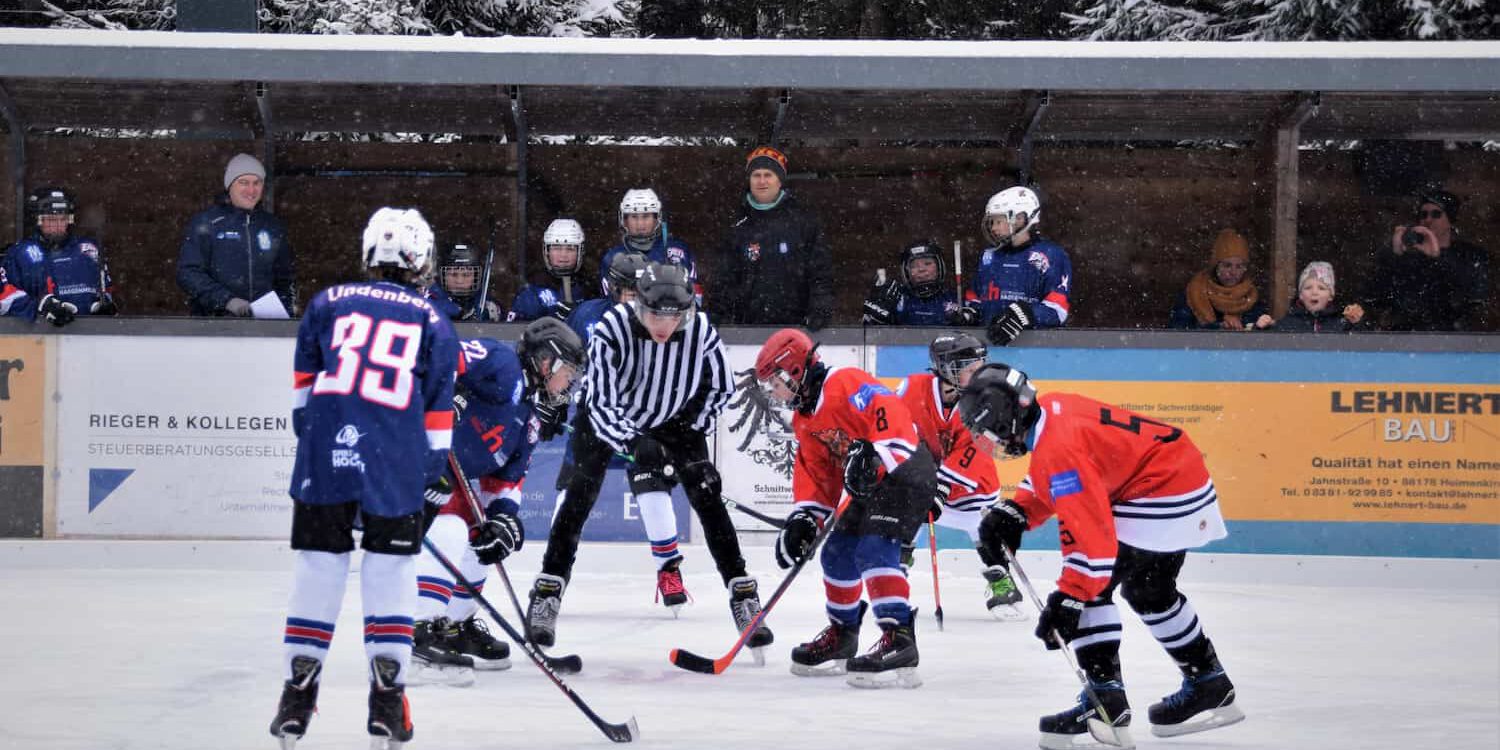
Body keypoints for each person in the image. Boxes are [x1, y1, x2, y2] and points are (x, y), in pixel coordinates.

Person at [957, 362, 1243, 748]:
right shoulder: (1053, 410)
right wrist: (1018, 510)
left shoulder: (1059, 449)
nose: (986, 441)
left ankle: (1105, 704)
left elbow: (1091, 539)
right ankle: (1209, 683)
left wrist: (1069, 599)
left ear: (1005, 417)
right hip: (1179, 474)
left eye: (984, 431)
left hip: (1159, 490)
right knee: (1149, 590)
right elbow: (1061, 469)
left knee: (1093, 589)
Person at [269, 208, 459, 748]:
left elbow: (302, 405)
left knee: (320, 565)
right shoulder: (432, 321)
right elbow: (437, 416)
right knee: (391, 570)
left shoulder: (326, 303)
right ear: (420, 259)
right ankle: (387, 700)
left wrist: (327, 446)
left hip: (326, 451)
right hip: (394, 458)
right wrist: (431, 471)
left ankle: (297, 695)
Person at [527, 262, 772, 654]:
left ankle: (742, 593)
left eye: (673, 315)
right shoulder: (612, 330)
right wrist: (634, 442)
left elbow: (719, 389)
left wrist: (690, 429)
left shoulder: (702, 332)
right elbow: (602, 402)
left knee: (707, 496)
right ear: (639, 306)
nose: (664, 324)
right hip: (611, 417)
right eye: (656, 313)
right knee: (579, 495)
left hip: (675, 418)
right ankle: (549, 588)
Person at [755, 327, 937, 689]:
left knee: (874, 550)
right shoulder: (805, 418)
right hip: (869, 485)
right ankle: (843, 633)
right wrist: (805, 518)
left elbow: (891, 415)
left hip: (904, 468)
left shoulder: (845, 382)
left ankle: (899, 637)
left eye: (774, 382)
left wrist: (874, 453)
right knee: (836, 553)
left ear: (793, 371)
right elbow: (819, 478)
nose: (773, 393)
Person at [411, 322, 586, 686]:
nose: (568, 385)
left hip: (447, 473)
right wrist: (445, 393)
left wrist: (504, 519)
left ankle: (453, 626)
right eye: (567, 373)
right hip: (415, 455)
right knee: (453, 527)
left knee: (485, 536)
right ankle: (416, 632)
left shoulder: (530, 418)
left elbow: (505, 481)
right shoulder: (502, 362)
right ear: (545, 362)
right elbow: (439, 357)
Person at [896, 331, 1023, 620]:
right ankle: (894, 574)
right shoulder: (910, 389)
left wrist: (940, 489)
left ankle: (1003, 581)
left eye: (980, 366)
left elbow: (974, 453)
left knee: (985, 531)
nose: (978, 374)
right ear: (945, 370)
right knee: (902, 512)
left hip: (972, 489)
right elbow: (894, 427)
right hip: (925, 482)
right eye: (969, 368)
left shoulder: (988, 400)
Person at [711, 146, 834, 330]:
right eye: (756, 175)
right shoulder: (737, 225)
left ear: (779, 181)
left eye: (768, 175)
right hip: (746, 329)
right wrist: (717, 315)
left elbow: (820, 271)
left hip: (796, 327)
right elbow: (724, 278)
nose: (762, 181)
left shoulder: (803, 222)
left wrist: (820, 306)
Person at [177, 153, 295, 317]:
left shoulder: (272, 226)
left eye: (257, 183)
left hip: (264, 327)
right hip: (213, 327)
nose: (251, 190)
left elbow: (285, 279)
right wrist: (227, 301)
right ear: (230, 186)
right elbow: (188, 273)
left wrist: (285, 311)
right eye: (243, 183)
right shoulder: (208, 223)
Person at [964, 186, 1073, 346]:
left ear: (1021, 218)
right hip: (988, 347)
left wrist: (1027, 314)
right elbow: (975, 298)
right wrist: (970, 313)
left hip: (1034, 349)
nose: (994, 228)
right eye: (992, 222)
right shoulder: (988, 257)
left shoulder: (1051, 255)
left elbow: (1058, 310)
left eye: (999, 221)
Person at [1367, 190, 1490, 331]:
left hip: (1452, 336)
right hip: (1405, 334)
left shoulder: (1469, 255)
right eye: (1423, 214)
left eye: (1436, 214)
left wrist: (1439, 258)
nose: (1428, 220)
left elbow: (1474, 296)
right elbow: (1374, 297)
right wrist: (1395, 255)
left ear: (1450, 220)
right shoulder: (1409, 256)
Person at [1, 186, 117, 326]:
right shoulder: (20, 253)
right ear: (38, 220)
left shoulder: (88, 249)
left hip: (90, 337)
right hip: (40, 339)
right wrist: (40, 307)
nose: (57, 226)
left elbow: (106, 287)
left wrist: (106, 305)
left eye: (62, 219)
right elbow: (4, 295)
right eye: (50, 219)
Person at [599, 188, 702, 302]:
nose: (640, 224)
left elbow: (694, 296)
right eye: (634, 217)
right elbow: (608, 302)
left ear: (656, 218)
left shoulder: (678, 251)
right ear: (624, 219)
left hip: (671, 316)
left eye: (646, 216)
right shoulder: (612, 257)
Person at [1168, 228, 1270, 331]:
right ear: (1216, 266)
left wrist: (1253, 325)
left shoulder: (1250, 296)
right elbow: (1178, 331)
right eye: (1227, 265)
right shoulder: (1195, 293)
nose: (1233, 272)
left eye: (1239, 266)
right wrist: (1219, 327)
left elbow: (1259, 336)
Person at [862, 241, 970, 327]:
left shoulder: (956, 297)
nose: (921, 269)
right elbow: (870, 336)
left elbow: (978, 322)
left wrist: (966, 319)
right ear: (906, 271)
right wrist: (876, 315)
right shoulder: (897, 297)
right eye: (914, 266)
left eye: (927, 263)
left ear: (939, 267)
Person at [509, 218, 591, 322]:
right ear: (547, 251)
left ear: (580, 251)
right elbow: (515, 333)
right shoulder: (532, 291)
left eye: (570, 249)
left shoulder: (590, 289)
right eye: (557, 248)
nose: (563, 255)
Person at [1258, 261, 1366, 333]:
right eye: (1308, 287)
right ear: (1301, 295)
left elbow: (1363, 346)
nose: (1314, 292)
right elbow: (1261, 345)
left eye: (1321, 288)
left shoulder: (1341, 324)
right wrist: (1261, 327)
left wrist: (1356, 322)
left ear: (1330, 296)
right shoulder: (1287, 323)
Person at [426, 242, 501, 321]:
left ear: (475, 276)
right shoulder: (429, 300)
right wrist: (457, 312)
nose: (459, 281)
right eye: (453, 274)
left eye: (466, 275)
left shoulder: (486, 304)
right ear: (443, 275)